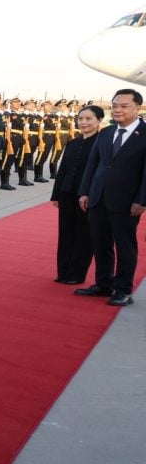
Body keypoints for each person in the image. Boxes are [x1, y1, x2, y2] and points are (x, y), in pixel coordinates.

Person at [76, 89, 146, 307]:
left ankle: (123, 290)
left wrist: (142, 200)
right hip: (98, 198)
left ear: (138, 108)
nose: (117, 109)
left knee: (125, 247)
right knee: (100, 244)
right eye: (115, 105)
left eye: (124, 106)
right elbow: (94, 164)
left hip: (127, 202)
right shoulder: (106, 133)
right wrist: (85, 191)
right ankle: (103, 283)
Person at [51, 105, 102, 284]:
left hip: (87, 196)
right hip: (67, 194)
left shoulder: (101, 143)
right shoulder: (72, 142)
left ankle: (76, 274)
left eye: (89, 119)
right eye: (81, 119)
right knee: (65, 234)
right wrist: (56, 195)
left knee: (83, 235)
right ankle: (63, 272)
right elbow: (63, 170)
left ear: (99, 121)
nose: (84, 122)